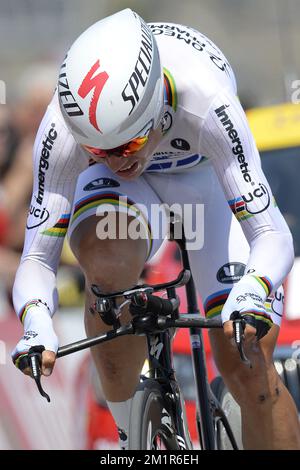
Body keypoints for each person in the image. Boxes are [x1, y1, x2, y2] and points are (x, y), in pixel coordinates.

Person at [11, 9, 300, 450]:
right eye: (97, 150)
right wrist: (36, 324)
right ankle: (132, 434)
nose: (115, 159)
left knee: (247, 361)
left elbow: (272, 234)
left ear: (155, 107)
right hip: (129, 197)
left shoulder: (205, 96)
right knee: (105, 265)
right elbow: (36, 257)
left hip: (203, 182)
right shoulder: (62, 129)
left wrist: (254, 289)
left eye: (127, 143)